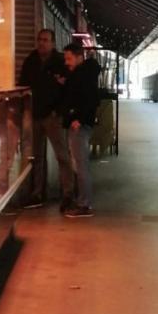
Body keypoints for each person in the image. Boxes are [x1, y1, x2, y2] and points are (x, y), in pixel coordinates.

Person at [18, 28, 73, 212]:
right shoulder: (31, 61)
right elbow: (22, 85)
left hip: (53, 117)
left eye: (46, 40)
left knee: (62, 155)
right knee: (37, 157)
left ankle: (67, 194)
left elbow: (68, 90)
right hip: (34, 115)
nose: (42, 43)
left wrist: (59, 111)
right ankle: (37, 193)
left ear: (53, 43)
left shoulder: (60, 62)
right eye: (40, 39)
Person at [59, 43, 101, 219]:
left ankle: (84, 204)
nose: (66, 62)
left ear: (78, 56)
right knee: (79, 163)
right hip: (77, 123)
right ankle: (82, 201)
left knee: (81, 164)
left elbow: (90, 100)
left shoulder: (84, 75)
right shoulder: (80, 74)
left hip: (79, 125)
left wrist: (79, 118)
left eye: (69, 58)